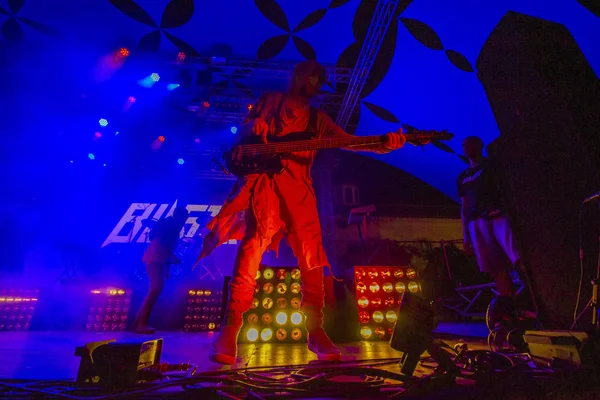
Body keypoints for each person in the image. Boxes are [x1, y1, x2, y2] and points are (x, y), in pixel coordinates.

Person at [197, 60, 406, 365]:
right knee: (251, 247)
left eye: (319, 80)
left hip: (299, 192)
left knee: (312, 256)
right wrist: (250, 128)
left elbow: (348, 142)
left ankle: (315, 329)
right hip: (265, 186)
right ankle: (231, 328)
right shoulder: (269, 101)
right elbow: (241, 133)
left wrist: (384, 144)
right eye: (311, 77)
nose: (314, 84)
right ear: (297, 76)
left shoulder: (317, 119)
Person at [458, 136, 535, 320]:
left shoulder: (492, 166)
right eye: (465, 145)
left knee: (517, 257)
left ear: (479, 146)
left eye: (471, 144)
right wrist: (466, 234)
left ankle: (536, 298)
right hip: (477, 222)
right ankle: (512, 308)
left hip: (498, 214)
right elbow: (464, 206)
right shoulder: (463, 177)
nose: (467, 148)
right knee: (495, 267)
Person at [132, 207, 189, 334]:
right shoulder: (170, 227)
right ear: (178, 216)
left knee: (153, 292)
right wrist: (173, 258)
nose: (184, 221)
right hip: (155, 260)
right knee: (154, 292)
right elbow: (160, 245)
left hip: (157, 261)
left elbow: (164, 246)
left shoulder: (169, 226)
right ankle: (141, 324)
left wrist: (167, 265)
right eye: (184, 218)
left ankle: (138, 323)